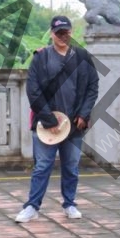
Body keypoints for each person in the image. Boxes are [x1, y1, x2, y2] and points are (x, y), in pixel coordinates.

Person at [16, 16, 98, 223]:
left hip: (73, 125)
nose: (62, 36)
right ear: (52, 33)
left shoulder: (82, 57)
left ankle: (69, 203)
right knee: (42, 166)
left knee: (71, 166)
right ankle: (32, 207)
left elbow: (92, 87)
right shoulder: (41, 58)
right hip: (46, 124)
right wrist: (49, 119)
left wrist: (84, 114)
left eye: (66, 32)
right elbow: (33, 91)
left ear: (70, 33)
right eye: (58, 32)